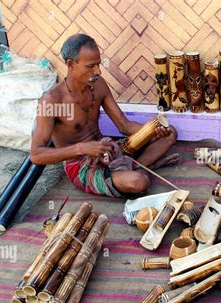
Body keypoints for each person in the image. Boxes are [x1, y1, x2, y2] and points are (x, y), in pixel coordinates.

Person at [30, 34, 178, 197]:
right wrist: (82, 148)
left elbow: (124, 125)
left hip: (110, 149)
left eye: (98, 64)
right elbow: (37, 155)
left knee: (169, 132)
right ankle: (141, 169)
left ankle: (137, 167)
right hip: (82, 165)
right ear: (71, 64)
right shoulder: (52, 100)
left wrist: (152, 132)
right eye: (90, 66)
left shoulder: (98, 85)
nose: (98, 71)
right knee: (138, 182)